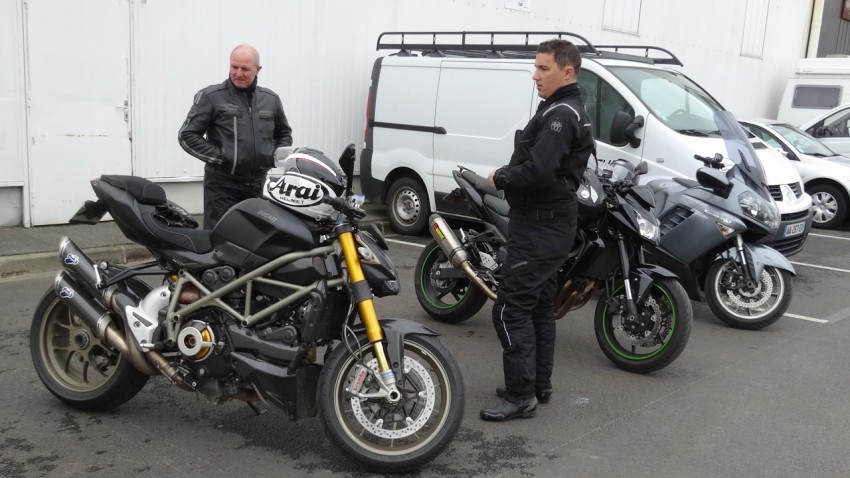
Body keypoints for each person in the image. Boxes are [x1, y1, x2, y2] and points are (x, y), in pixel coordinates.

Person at [480, 39, 594, 421]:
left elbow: (539, 171)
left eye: (543, 69)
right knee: (540, 308)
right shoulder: (566, 109)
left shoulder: (561, 114)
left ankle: (520, 395)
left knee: (509, 310)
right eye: (535, 67)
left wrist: (501, 176)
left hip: (540, 229)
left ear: (567, 72)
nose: (535, 75)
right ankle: (537, 385)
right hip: (550, 225)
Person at [179, 44, 293, 229]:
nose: (238, 73)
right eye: (234, 67)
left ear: (258, 69)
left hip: (258, 186)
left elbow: (284, 133)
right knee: (220, 239)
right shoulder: (211, 97)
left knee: (254, 237)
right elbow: (187, 135)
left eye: (245, 69)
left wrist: (274, 156)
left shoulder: (271, 99)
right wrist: (221, 156)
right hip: (222, 187)